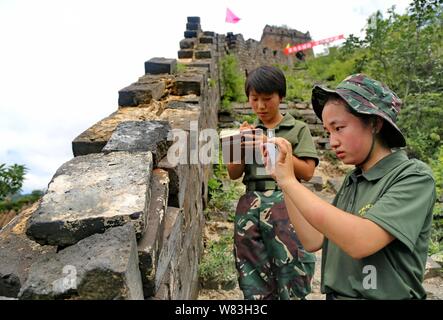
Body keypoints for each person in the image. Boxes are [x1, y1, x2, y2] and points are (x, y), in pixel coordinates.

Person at [265, 74, 436, 300]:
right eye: (328, 131)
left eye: (339, 128)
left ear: (375, 123)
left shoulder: (412, 177)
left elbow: (360, 241)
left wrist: (289, 181)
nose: (332, 141)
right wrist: (285, 181)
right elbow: (313, 240)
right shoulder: (353, 179)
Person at [226, 65, 320, 300]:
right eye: (254, 99)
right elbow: (233, 173)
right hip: (250, 206)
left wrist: (277, 150)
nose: (260, 106)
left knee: (292, 269)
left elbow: (308, 172)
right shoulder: (245, 132)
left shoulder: (297, 129)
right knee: (252, 272)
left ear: (281, 97)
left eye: (267, 99)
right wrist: (239, 145)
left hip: (286, 203)